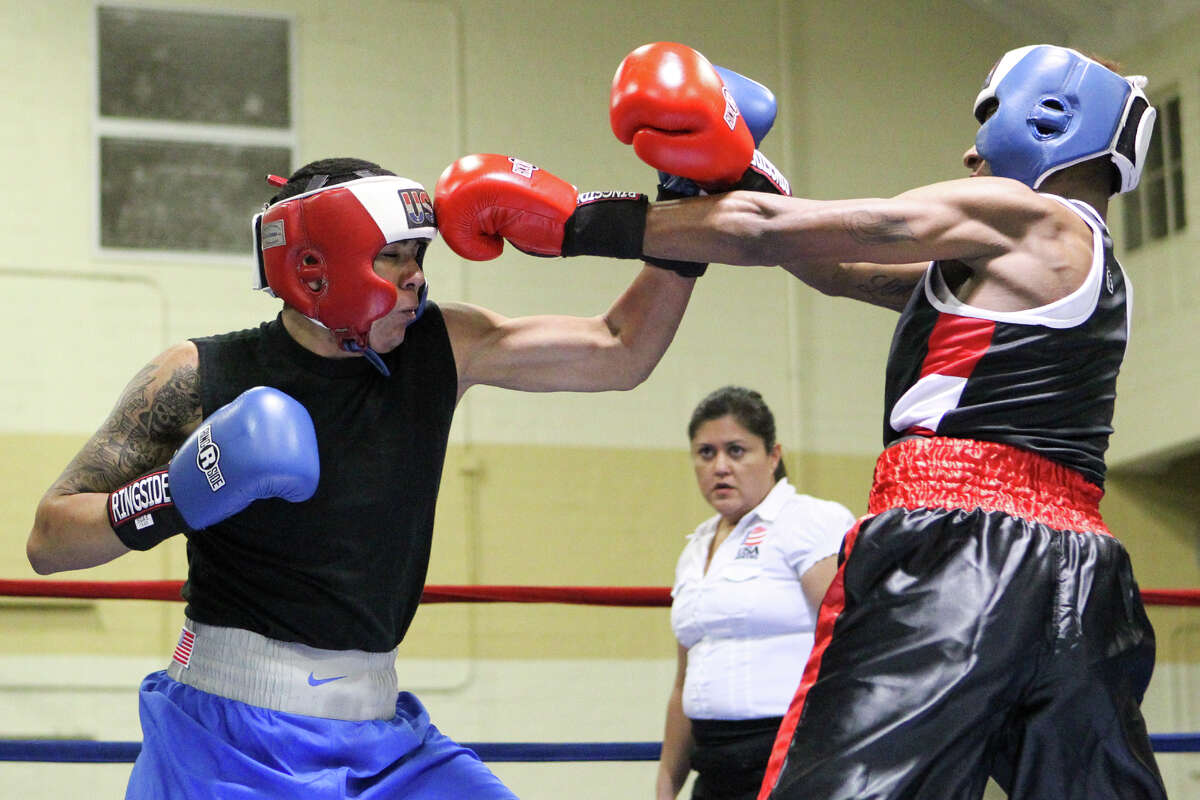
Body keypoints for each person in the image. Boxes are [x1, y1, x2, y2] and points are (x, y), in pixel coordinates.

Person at [441, 42, 1169, 800]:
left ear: (1051, 117)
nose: (968, 149)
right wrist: (744, 180)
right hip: (1082, 570)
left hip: (960, 552)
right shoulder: (1080, 264)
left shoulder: (1026, 216)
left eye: (984, 118)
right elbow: (833, 263)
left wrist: (575, 222)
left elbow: (765, 232)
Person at [25, 156, 700, 799]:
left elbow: (621, 351)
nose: (414, 278)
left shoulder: (443, 347)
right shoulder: (203, 375)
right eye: (391, 256)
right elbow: (50, 539)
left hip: (383, 740)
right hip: (228, 736)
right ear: (314, 267)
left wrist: (690, 209)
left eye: (418, 256)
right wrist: (176, 493)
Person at [659, 386, 854, 800]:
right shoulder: (695, 548)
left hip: (792, 760)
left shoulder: (807, 521)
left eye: (736, 450)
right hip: (713, 766)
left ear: (773, 456)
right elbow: (683, 682)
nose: (720, 467)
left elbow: (854, 646)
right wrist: (666, 785)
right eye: (706, 453)